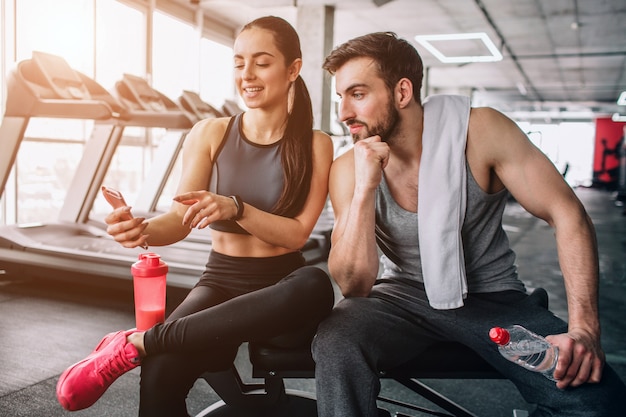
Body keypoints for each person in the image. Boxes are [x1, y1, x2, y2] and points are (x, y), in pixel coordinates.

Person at [311, 32, 626, 417]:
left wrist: (585, 330)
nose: (343, 113)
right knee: (336, 340)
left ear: (402, 92)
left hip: (492, 298)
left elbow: (568, 214)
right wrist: (364, 188)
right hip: (400, 298)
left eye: (357, 94)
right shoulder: (348, 168)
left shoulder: (481, 132)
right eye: (340, 97)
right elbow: (354, 285)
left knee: (599, 401)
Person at [56, 16, 335, 416]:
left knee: (315, 283)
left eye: (262, 62)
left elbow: (295, 236)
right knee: (159, 374)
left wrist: (236, 208)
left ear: (293, 69)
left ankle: (135, 343)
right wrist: (142, 230)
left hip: (281, 292)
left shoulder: (315, 144)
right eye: (239, 63)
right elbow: (177, 220)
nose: (247, 74)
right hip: (220, 281)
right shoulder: (209, 133)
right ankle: (147, 347)